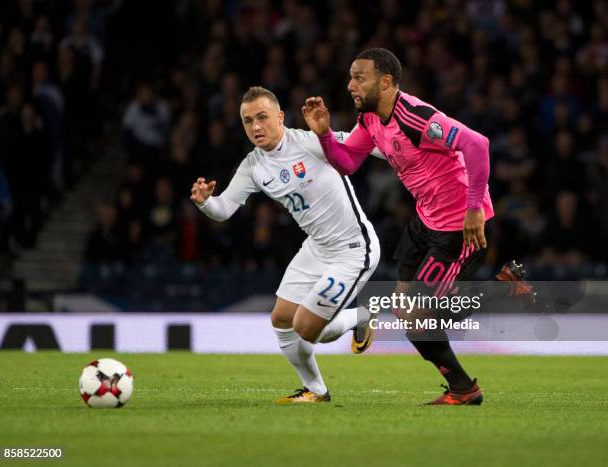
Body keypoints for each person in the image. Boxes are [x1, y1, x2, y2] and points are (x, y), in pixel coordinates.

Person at [302, 48, 534, 406]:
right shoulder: (370, 121)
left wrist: (474, 209)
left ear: (387, 81)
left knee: (416, 317)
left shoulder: (415, 116)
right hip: (424, 221)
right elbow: (347, 162)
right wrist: (324, 135)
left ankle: (497, 305)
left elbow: (477, 144)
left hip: (459, 227)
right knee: (406, 309)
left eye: (359, 77)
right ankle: (462, 385)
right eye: (350, 77)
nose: (350, 85)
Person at [190, 86, 381, 403]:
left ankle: (361, 317)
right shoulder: (253, 166)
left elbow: (364, 145)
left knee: (307, 327)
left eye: (262, 117)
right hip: (317, 248)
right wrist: (204, 203)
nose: (255, 127)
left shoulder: (310, 141)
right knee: (281, 319)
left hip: (354, 249)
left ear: (280, 117)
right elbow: (223, 210)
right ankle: (316, 391)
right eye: (248, 120)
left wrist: (412, 153)